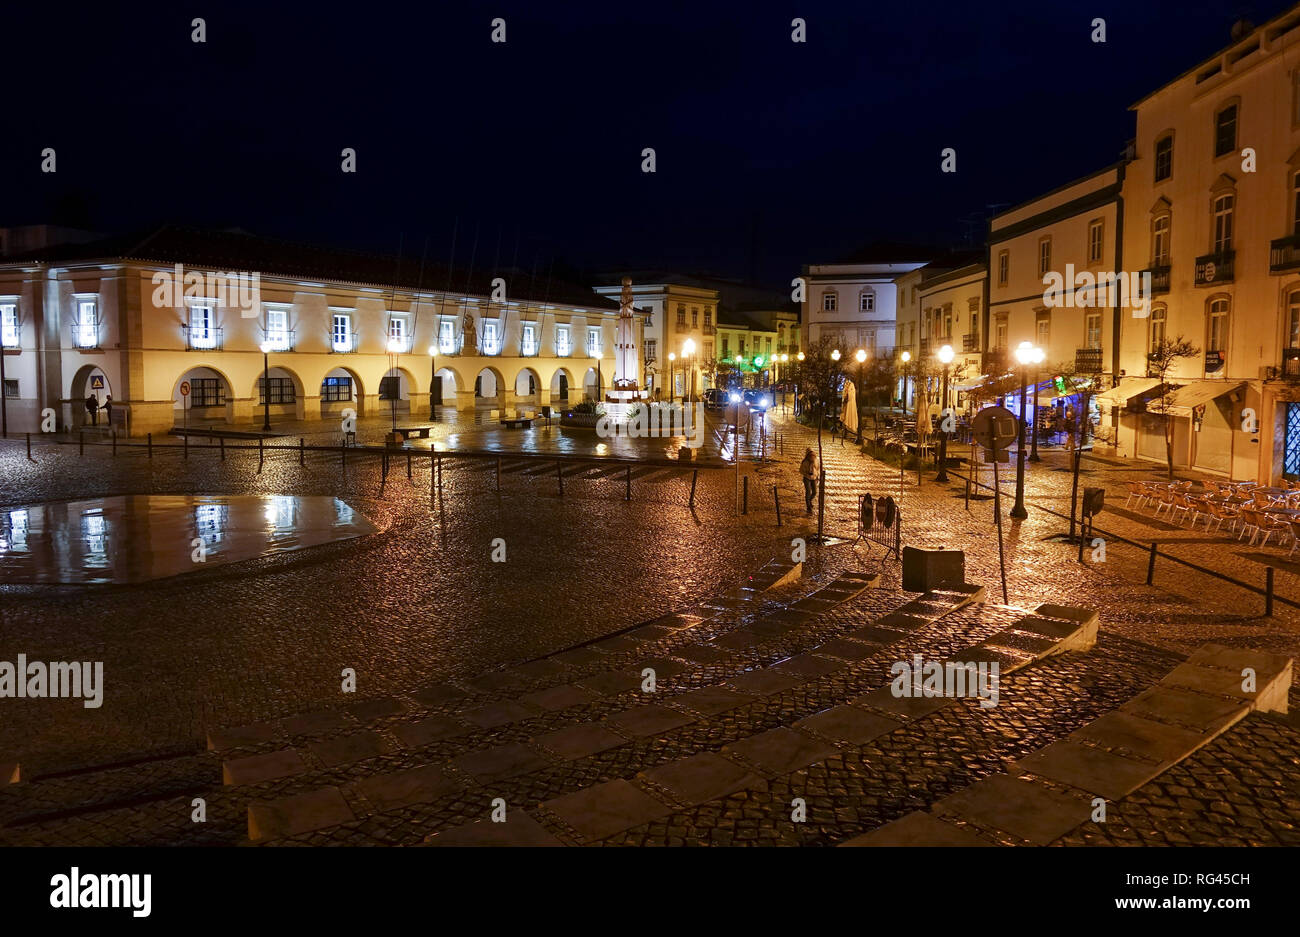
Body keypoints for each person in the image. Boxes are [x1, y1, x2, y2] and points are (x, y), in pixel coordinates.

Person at [799, 448, 817, 514]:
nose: (812, 457)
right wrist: (806, 473)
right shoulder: (805, 462)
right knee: (808, 491)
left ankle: (809, 500)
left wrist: (817, 476)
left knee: (815, 492)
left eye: (813, 455)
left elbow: (817, 469)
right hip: (807, 478)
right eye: (811, 455)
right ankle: (808, 506)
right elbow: (801, 471)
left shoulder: (816, 461)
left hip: (814, 478)